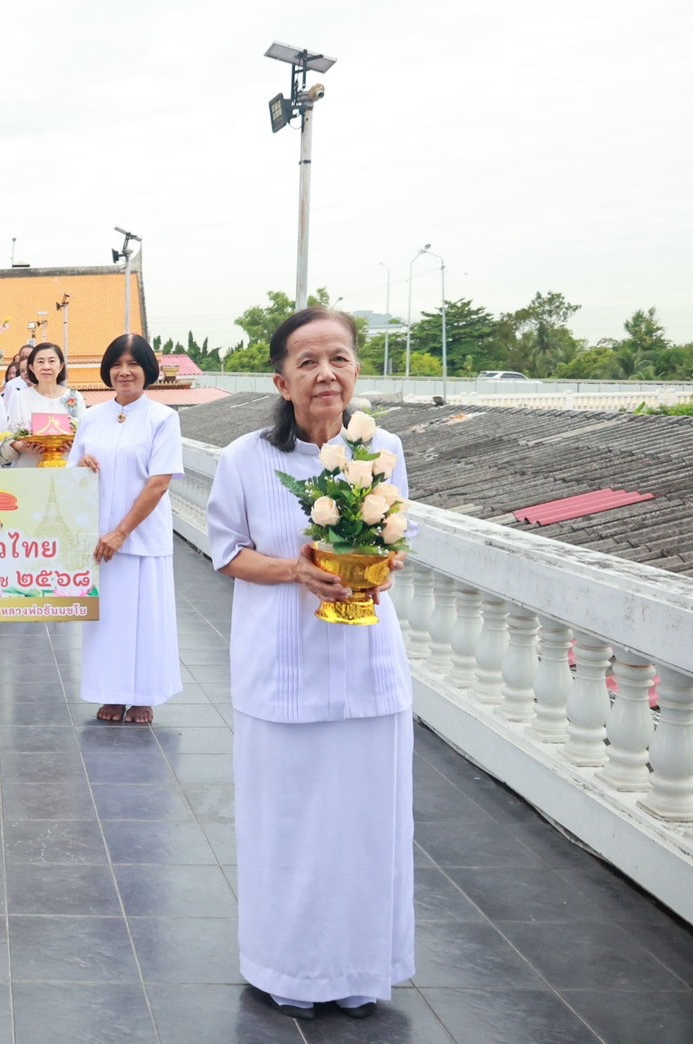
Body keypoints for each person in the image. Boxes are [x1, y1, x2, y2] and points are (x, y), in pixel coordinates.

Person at [205, 308, 414, 1021]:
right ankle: (289, 967)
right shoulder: (245, 458)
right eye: (308, 362)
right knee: (289, 823)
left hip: (367, 663)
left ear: (356, 370)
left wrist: (381, 566)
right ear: (281, 380)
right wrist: (295, 570)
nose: (326, 374)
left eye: (339, 359)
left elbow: (397, 534)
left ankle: (361, 969)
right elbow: (227, 551)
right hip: (284, 666)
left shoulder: (383, 448)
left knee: (365, 824)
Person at [68, 334, 182, 724]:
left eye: (133, 364)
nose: (124, 372)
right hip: (98, 537)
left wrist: (122, 531)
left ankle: (144, 696)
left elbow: (159, 482)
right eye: (117, 364)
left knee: (146, 620)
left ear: (147, 369)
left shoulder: (163, 418)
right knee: (107, 623)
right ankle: (112, 695)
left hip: (141, 536)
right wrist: (81, 467)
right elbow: (71, 471)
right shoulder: (91, 417)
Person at [1, 342, 84, 468]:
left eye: (52, 361)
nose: (46, 367)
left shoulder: (74, 397)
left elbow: (85, 435)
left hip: (66, 468)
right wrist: (23, 447)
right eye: (40, 362)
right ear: (31, 367)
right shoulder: (20, 397)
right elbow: (9, 436)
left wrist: (75, 444)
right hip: (29, 468)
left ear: (61, 366)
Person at [0, 341, 35, 411]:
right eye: (23, 358)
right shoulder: (11, 385)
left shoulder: (43, 383)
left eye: (29, 357)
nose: (26, 361)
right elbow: (5, 409)